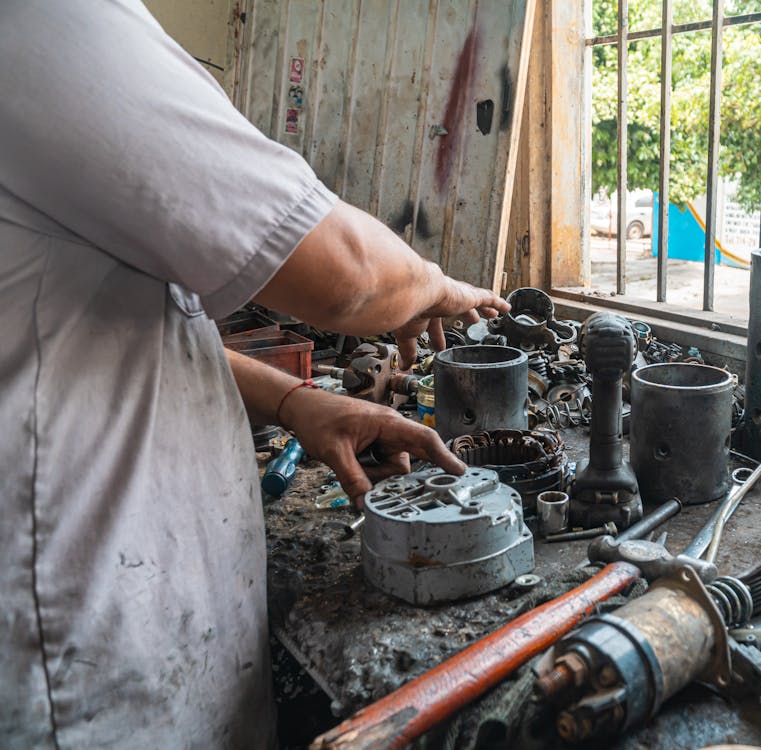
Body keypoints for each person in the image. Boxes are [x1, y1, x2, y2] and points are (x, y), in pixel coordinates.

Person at [0, 2, 509, 747]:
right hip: (82, 649)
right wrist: (435, 284)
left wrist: (295, 400)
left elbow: (86, 322)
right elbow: (345, 274)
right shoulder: (42, 21)